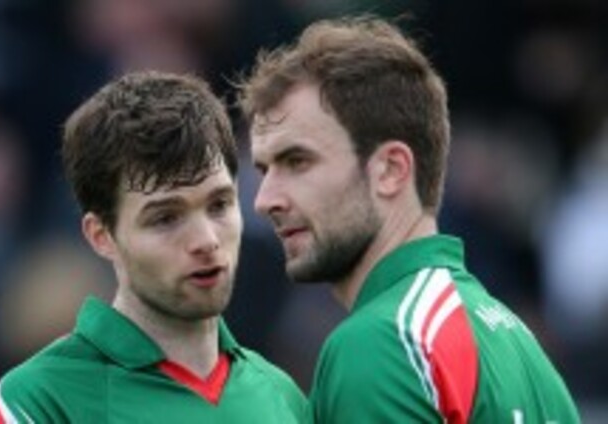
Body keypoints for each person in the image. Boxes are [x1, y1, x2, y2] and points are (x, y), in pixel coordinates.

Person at [239, 17, 580, 423]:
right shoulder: (516, 341)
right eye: (264, 170)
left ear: (391, 170)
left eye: (297, 161)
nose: (264, 200)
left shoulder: (382, 342)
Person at [0, 71, 309, 423]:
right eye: (166, 218)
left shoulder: (281, 395)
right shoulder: (34, 403)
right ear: (101, 236)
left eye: (219, 205)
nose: (206, 240)